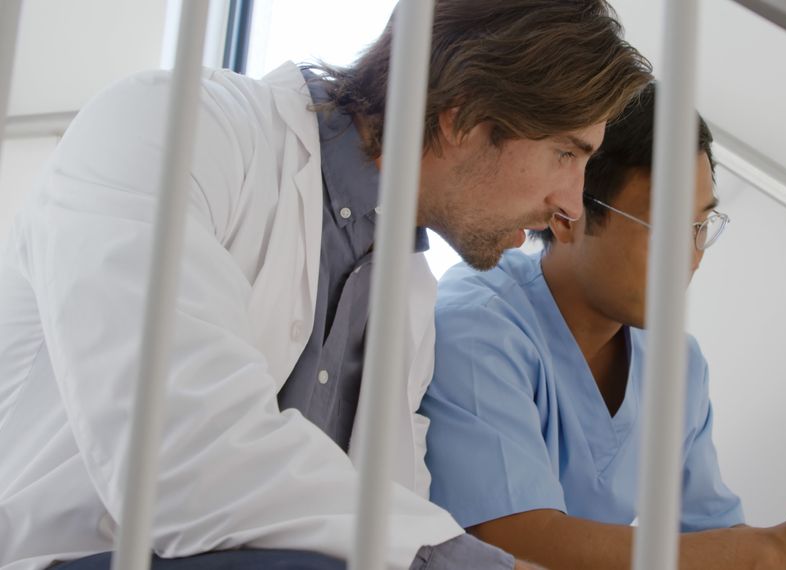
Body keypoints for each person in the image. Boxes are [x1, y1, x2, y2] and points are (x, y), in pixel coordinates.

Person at [0, 1, 652, 568]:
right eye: (567, 154)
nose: (572, 204)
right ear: (464, 116)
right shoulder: (171, 129)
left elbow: (385, 518)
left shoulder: (409, 298)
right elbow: (182, 457)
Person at [421, 83, 786, 569]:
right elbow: (515, 541)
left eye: (701, 226)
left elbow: (714, 542)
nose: (691, 257)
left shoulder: (676, 367)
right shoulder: (476, 325)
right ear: (567, 213)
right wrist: (779, 548)